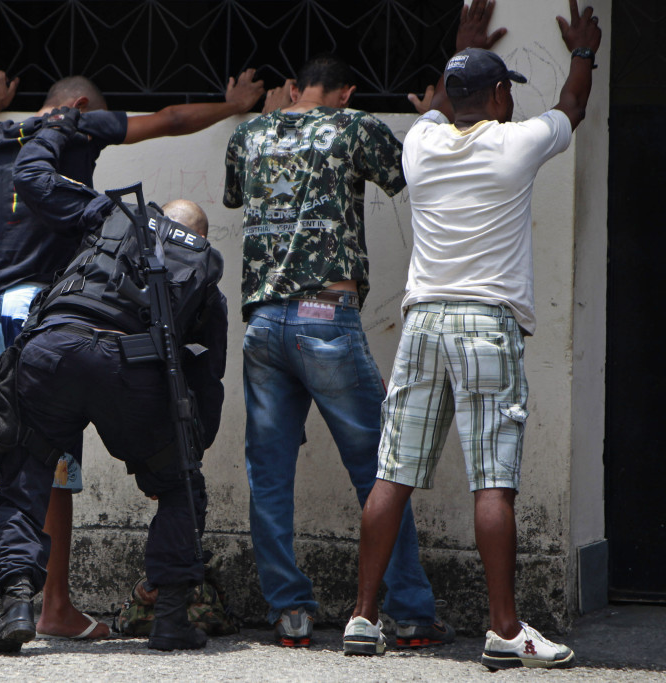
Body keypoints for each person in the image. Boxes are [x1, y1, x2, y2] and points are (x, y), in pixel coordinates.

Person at [0, 70, 263, 639]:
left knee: (21, 465)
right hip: (129, 371)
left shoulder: (110, 214)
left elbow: (32, 175)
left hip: (42, 343)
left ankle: (14, 605)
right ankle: (168, 618)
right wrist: (187, 447)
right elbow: (206, 374)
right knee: (182, 486)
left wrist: (34, 125)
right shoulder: (205, 276)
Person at [220, 3, 510, 648]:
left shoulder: (250, 135)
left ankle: (290, 612)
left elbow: (236, 198)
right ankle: (407, 610)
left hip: (262, 323)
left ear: (295, 89)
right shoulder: (355, 126)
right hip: (326, 317)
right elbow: (415, 170)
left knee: (268, 474)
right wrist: (432, 103)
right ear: (347, 92)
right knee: (382, 468)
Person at [346, 0, 600, 670]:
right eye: (505, 89)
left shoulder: (420, 144)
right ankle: (505, 626)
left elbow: (434, 102)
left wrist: (456, 47)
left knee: (392, 472)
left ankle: (363, 616)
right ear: (497, 96)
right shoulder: (515, 144)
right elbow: (571, 108)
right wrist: (585, 52)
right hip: (486, 323)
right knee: (494, 482)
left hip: (424, 320)